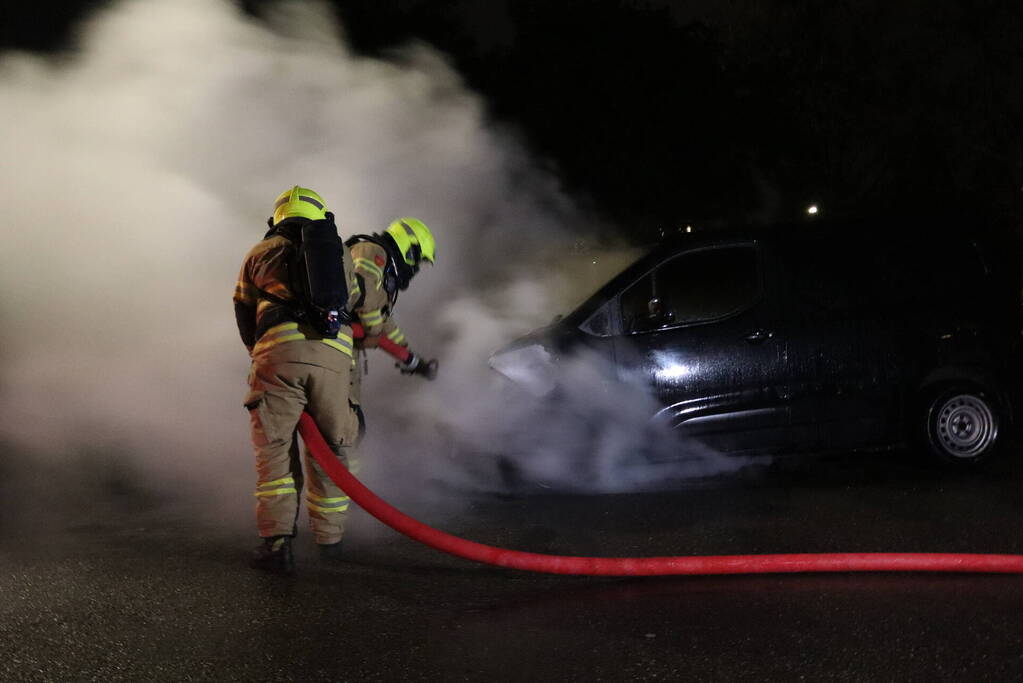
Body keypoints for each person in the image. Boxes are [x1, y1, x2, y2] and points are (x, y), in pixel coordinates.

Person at [233, 186, 361, 575]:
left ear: (278, 218)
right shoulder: (339, 252)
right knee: (332, 449)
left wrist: (261, 351)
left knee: (274, 450)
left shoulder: (260, 252)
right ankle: (331, 541)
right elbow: (350, 303)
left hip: (278, 357)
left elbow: (243, 308)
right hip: (334, 358)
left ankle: (276, 545)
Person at [347, 218, 438, 418]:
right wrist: (374, 332)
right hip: (331, 340)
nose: (415, 269)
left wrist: (409, 356)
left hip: (343, 346)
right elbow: (365, 294)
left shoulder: (385, 268)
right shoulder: (372, 252)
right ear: (409, 249)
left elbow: (383, 319)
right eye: (418, 260)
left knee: (348, 423)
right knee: (341, 424)